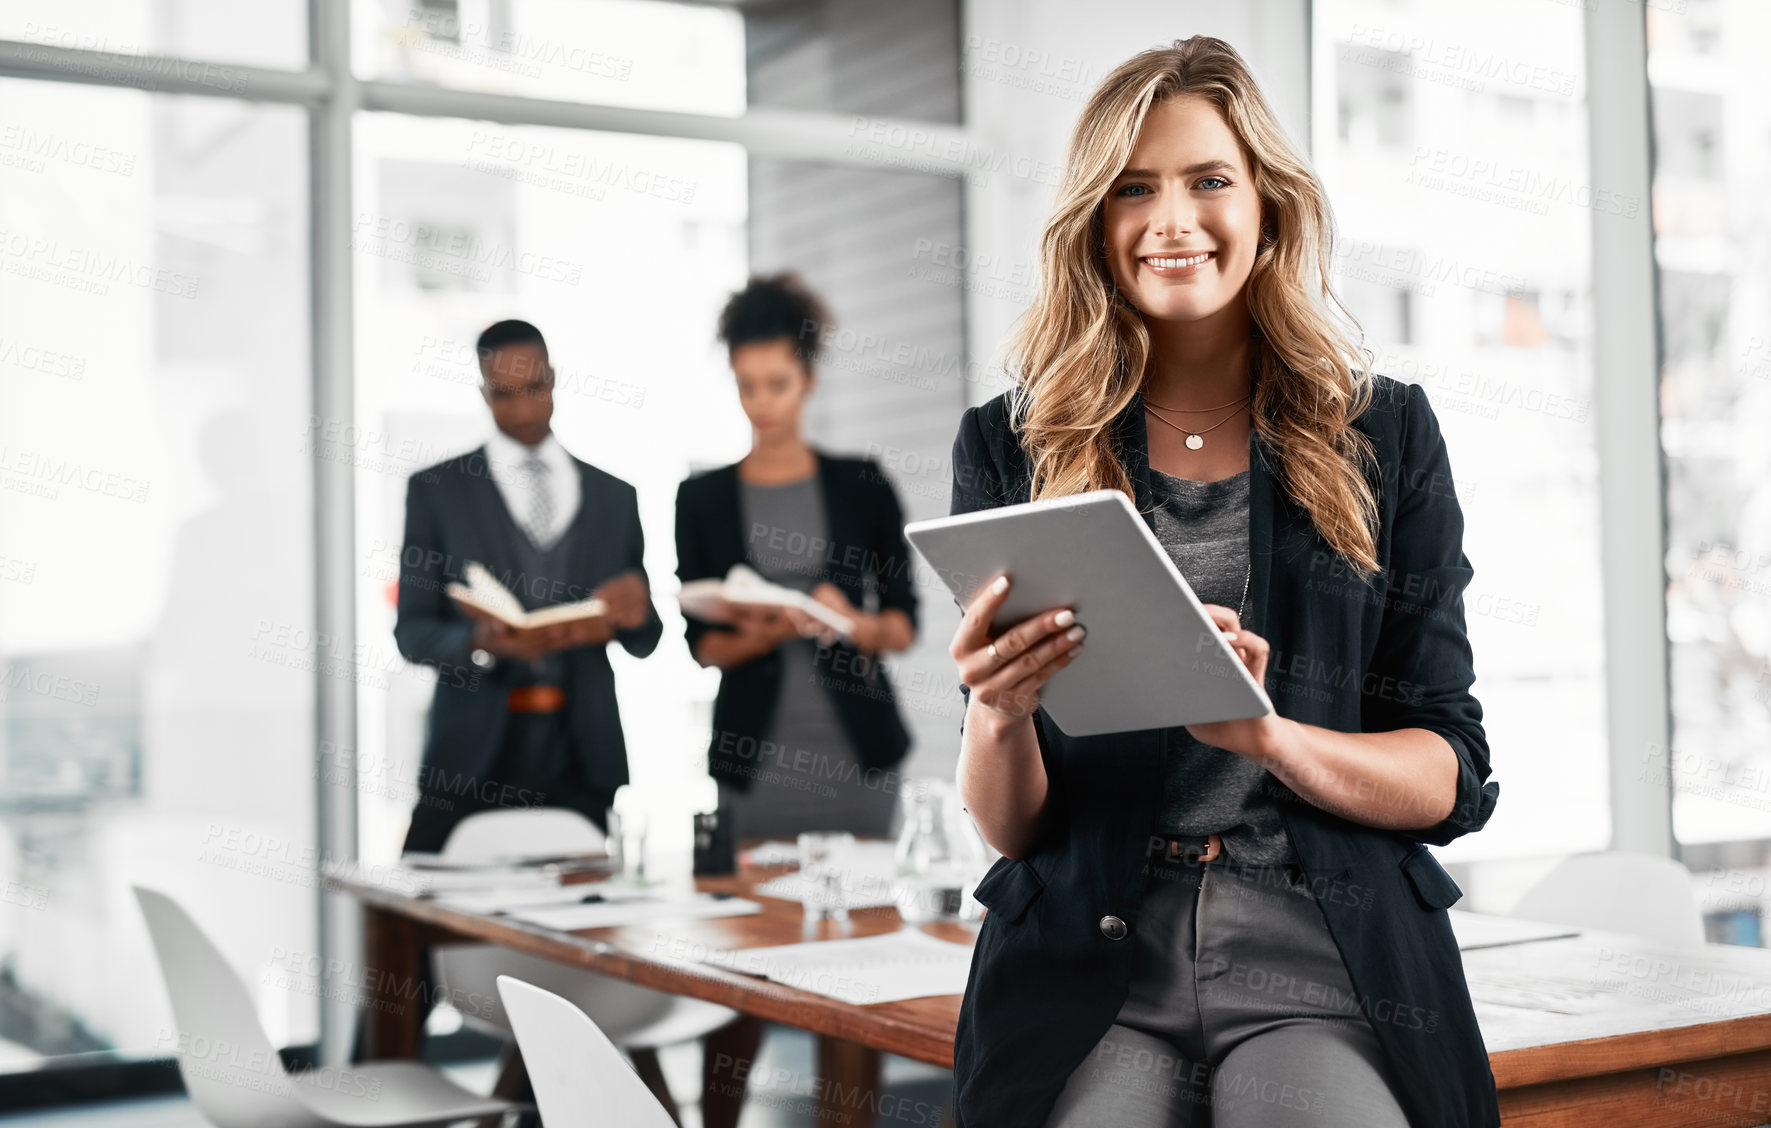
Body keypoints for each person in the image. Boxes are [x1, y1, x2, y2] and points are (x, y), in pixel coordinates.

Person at [946, 38, 1500, 1128]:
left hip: (1321, 956)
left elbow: (1448, 770)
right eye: (1133, 190)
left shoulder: (1385, 434)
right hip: (1095, 958)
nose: (1172, 221)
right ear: (1095, 226)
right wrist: (998, 711)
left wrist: (1265, 735)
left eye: (1209, 180)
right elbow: (1011, 827)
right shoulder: (1010, 445)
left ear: (1267, 204)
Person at [394, 318, 662, 852]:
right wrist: (477, 644)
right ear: (482, 392)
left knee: (583, 916)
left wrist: (638, 614)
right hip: (469, 755)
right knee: (424, 919)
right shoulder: (437, 492)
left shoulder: (615, 497)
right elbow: (412, 632)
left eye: (534, 389)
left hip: (581, 755)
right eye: (503, 395)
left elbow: (645, 638)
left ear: (555, 378)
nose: (521, 410)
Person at [674, 273, 921, 840]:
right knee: (760, 921)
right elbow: (702, 647)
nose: (761, 402)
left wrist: (849, 621)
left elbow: (902, 627)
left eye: (777, 383)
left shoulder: (863, 483)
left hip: (860, 755)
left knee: (869, 917)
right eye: (747, 385)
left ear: (808, 379)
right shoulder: (701, 498)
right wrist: (766, 629)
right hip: (753, 760)